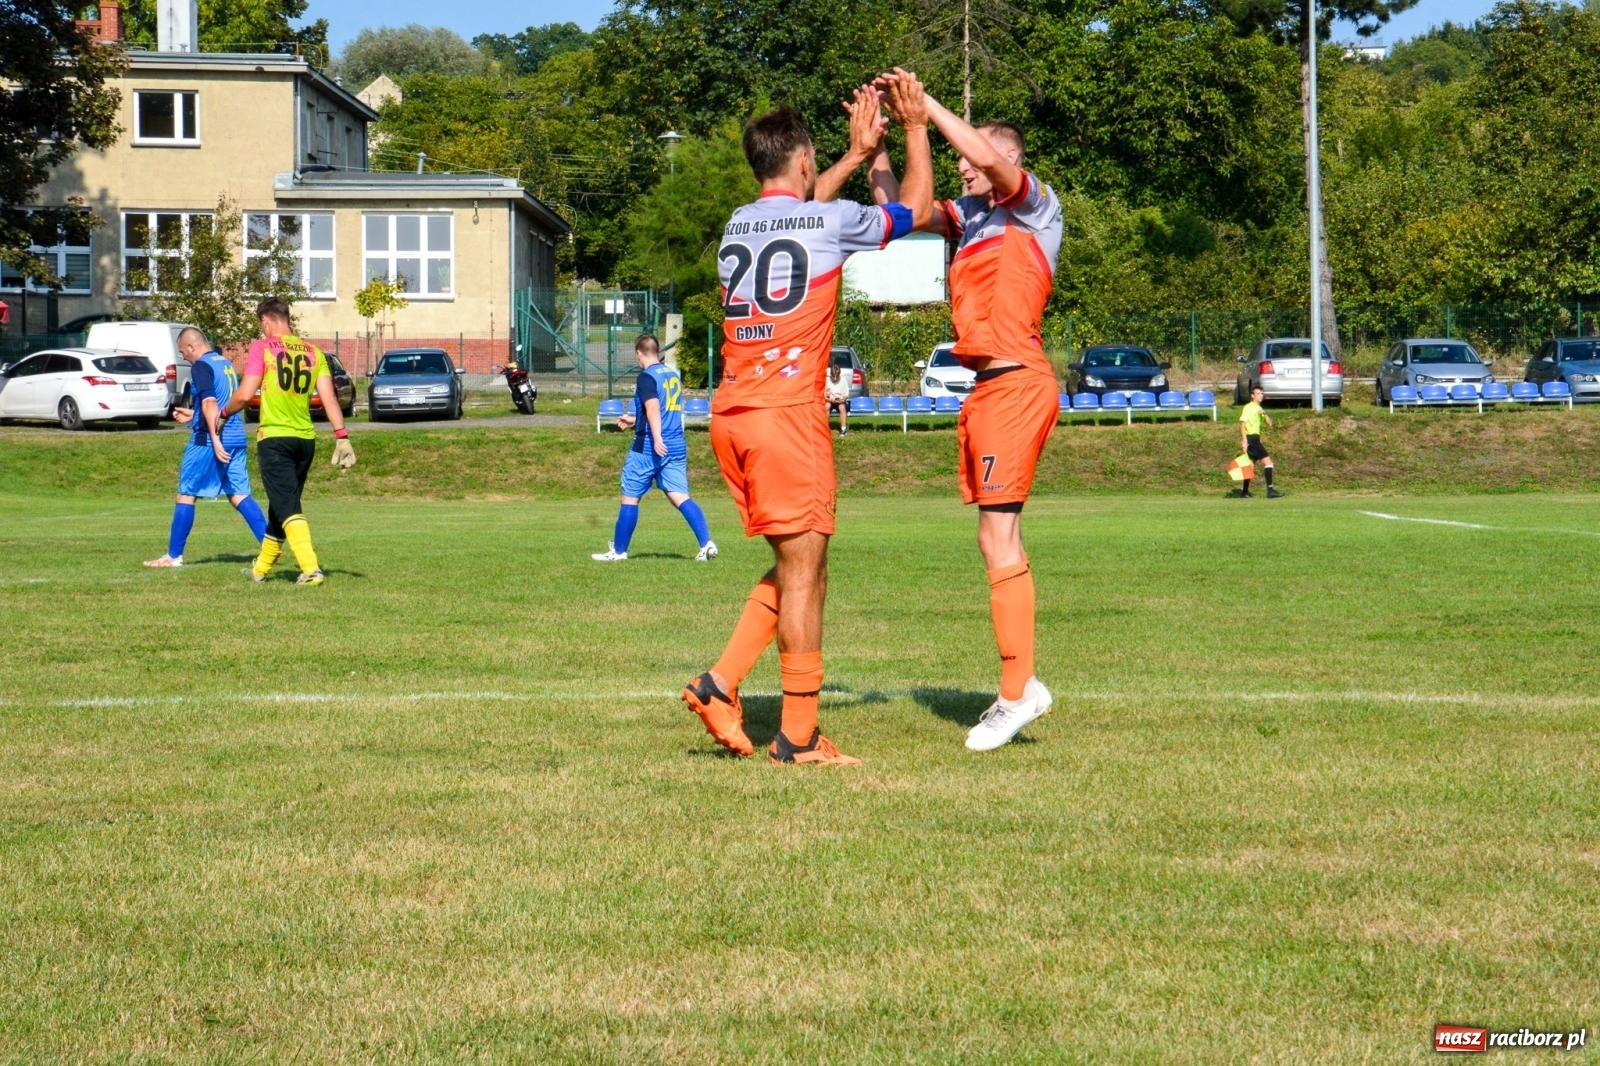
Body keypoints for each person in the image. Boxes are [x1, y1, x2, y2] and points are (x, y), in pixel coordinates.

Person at [678, 79, 932, 767]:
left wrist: (850, 157)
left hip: (732, 412)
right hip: (785, 415)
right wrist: (910, 127)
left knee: (801, 568)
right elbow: (912, 209)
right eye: (815, 160)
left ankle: (719, 683)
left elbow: (801, 213)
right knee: (804, 571)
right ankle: (798, 735)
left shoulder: (740, 220)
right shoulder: (828, 221)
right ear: (800, 162)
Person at [868, 69, 1062, 753]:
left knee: (997, 538)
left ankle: (1017, 693)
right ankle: (1022, 687)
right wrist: (884, 145)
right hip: (986, 390)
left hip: (1016, 385)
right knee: (994, 539)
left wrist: (931, 109)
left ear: (1010, 162)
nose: (963, 166)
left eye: (975, 157)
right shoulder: (970, 217)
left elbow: (980, 156)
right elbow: (902, 211)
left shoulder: (1035, 208)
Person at [215, 297, 355, 585]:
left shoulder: (262, 348)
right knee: (282, 503)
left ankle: (311, 568)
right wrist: (342, 438)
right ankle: (260, 569)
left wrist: (223, 413)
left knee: (288, 505)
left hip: (275, 438)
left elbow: (244, 394)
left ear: (266, 320)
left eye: (261, 325)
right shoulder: (314, 352)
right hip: (305, 440)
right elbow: (330, 399)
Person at [143, 328, 268, 568]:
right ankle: (269, 546)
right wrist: (193, 415)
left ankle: (173, 556)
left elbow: (211, 401)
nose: (183, 357)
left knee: (186, 494)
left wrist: (213, 436)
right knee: (239, 494)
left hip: (209, 441)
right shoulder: (225, 364)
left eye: (182, 352)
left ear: (191, 347)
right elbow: (222, 402)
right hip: (236, 437)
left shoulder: (200, 366)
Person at [592, 333, 718, 563]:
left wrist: (656, 436)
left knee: (629, 497)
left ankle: (619, 552)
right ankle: (706, 543)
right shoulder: (672, 374)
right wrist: (634, 419)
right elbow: (664, 408)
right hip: (676, 443)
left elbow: (653, 408)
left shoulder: (646, 377)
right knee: (680, 496)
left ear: (639, 354)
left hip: (649, 445)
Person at [1238, 384, 1283, 498]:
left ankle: (1244, 492)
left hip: (1255, 439)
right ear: (1252, 396)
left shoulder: (1259, 408)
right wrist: (1244, 440)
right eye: (1258, 393)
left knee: (1250, 466)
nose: (1261, 396)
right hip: (1251, 439)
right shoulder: (1248, 407)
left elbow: (1270, 424)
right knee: (1268, 463)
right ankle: (1270, 491)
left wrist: (1264, 413)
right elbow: (1242, 424)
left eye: (1262, 393)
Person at [825, 364, 852, 436]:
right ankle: (825, 428)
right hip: (830, 400)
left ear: (839, 374)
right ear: (831, 374)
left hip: (840, 401)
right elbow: (823, 395)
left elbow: (846, 395)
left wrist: (842, 399)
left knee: (842, 408)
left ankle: (843, 429)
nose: (835, 378)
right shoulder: (826, 380)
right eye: (833, 376)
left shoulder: (843, 380)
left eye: (836, 376)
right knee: (827, 406)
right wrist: (830, 399)